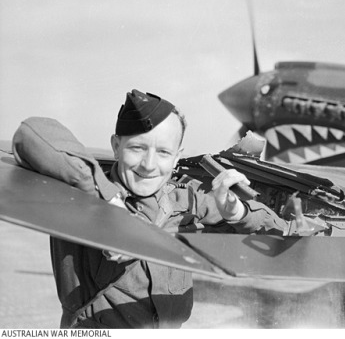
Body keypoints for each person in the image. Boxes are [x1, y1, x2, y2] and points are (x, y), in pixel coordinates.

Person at [50, 89, 287, 329]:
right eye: (137, 148)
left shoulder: (187, 200)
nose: (149, 165)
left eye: (163, 152)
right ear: (116, 146)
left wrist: (238, 213)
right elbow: (34, 133)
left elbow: (281, 235)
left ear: (176, 158)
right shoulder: (83, 194)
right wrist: (110, 200)